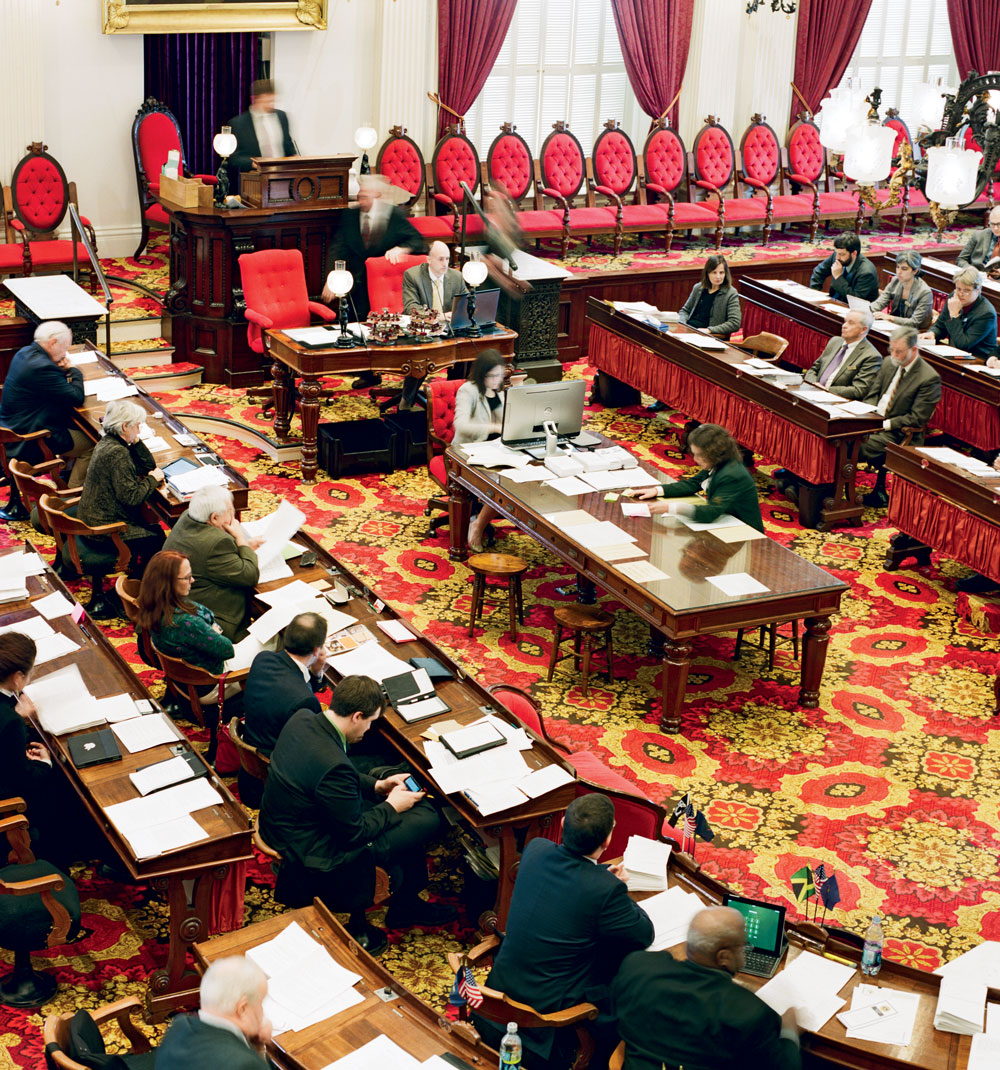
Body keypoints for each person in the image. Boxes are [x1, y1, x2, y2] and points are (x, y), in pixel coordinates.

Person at [259, 674, 453, 955]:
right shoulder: (333, 764)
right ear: (357, 716)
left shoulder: (304, 718)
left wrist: (377, 786)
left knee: (409, 815)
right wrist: (391, 806)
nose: (370, 728)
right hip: (314, 848)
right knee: (427, 818)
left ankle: (406, 897)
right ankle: (405, 902)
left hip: (284, 822)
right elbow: (353, 832)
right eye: (371, 721)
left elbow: (333, 776)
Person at [476, 795, 654, 1067]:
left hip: (498, 990)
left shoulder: (536, 849)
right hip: (543, 1022)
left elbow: (568, 877)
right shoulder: (606, 890)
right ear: (607, 841)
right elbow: (644, 935)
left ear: (561, 825)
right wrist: (618, 889)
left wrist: (603, 876)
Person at [612, 906, 801, 1070]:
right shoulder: (749, 1013)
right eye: (744, 945)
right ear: (724, 957)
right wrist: (789, 1031)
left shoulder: (636, 966)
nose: (746, 948)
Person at [324, 173, 426, 386]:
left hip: (382, 287)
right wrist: (333, 276)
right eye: (360, 196)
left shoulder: (394, 216)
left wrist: (401, 248)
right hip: (355, 282)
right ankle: (365, 372)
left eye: (366, 196)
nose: (361, 201)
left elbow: (417, 240)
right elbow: (338, 248)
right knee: (354, 325)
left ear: (378, 196)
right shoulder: (350, 217)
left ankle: (381, 366)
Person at [0, 321, 93, 519]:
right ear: (53, 343)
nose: (65, 354)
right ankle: (71, 499)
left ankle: (67, 475)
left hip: (14, 428)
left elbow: (49, 383)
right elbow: (76, 396)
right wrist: (73, 371)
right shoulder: (41, 367)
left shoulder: (25, 353)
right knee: (92, 445)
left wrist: (60, 370)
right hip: (30, 438)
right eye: (65, 348)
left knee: (76, 426)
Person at [77, 399, 165, 576]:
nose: (139, 430)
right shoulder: (118, 453)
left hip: (93, 515)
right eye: (137, 426)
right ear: (125, 427)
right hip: (103, 528)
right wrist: (153, 480)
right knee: (156, 538)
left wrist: (136, 440)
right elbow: (131, 497)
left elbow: (148, 465)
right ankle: (139, 581)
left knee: (151, 525)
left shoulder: (110, 441)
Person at [163, 486, 262, 641]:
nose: (234, 518)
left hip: (179, 607)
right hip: (213, 623)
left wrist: (245, 547)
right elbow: (250, 575)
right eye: (230, 511)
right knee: (276, 639)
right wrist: (240, 539)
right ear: (214, 518)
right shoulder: (217, 542)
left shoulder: (187, 517)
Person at [860, 325, 942, 507]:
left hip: (896, 432)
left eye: (899, 352)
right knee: (834, 432)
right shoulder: (889, 362)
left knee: (851, 445)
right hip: (872, 421)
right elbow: (874, 393)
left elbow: (917, 418)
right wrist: (864, 415)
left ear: (914, 349)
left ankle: (835, 494)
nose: (894, 355)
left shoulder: (928, 378)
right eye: (892, 350)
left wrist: (885, 424)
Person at [630, 423, 764, 533]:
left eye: (699, 455)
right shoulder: (718, 462)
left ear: (713, 453)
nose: (695, 459)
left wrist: (669, 507)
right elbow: (693, 484)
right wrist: (656, 490)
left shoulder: (732, 475)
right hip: (724, 522)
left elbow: (711, 513)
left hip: (744, 533)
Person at [0, 633, 60, 858]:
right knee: (60, 786)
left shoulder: (10, 715)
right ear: (17, 678)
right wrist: (45, 763)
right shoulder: (11, 721)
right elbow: (21, 778)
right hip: (5, 796)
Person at [155, 955, 271, 1069]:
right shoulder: (245, 1063)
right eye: (260, 1003)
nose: (261, 1010)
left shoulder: (179, 1025)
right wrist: (259, 1050)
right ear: (242, 1008)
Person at [243, 611, 328, 756]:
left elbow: (296, 688)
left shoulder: (263, 658)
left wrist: (315, 673)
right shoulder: (305, 700)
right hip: (276, 761)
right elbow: (313, 744)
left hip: (252, 743)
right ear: (315, 650)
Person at [136, 551, 235, 676]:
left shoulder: (155, 606)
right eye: (187, 577)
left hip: (186, 677)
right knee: (265, 648)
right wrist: (212, 629)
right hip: (211, 680)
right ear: (168, 583)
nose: (192, 580)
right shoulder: (186, 622)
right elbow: (228, 651)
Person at [398, 240, 466, 408]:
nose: (445, 264)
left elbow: (466, 303)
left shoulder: (456, 277)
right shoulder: (412, 275)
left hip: (449, 330)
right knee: (421, 356)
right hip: (422, 330)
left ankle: (455, 397)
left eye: (447, 259)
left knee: (466, 349)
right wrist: (440, 316)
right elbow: (411, 309)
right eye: (440, 259)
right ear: (429, 259)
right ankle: (406, 401)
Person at [454, 351, 507, 552]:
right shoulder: (468, 391)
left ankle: (480, 518)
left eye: (499, 376)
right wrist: (492, 429)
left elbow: (504, 421)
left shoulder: (497, 392)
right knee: (501, 482)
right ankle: (477, 525)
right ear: (481, 374)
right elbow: (461, 425)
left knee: (514, 478)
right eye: (492, 376)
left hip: (493, 449)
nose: (496, 381)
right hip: (466, 452)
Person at [226, 78, 296, 195]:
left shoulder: (281, 116)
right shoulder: (238, 123)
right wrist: (253, 163)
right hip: (255, 183)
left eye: (272, 101)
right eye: (266, 101)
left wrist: (295, 157)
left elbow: (288, 145)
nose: (270, 105)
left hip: (283, 180)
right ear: (254, 99)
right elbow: (234, 158)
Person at [919, 266, 998, 358]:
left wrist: (954, 315)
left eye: (967, 290)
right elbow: (940, 325)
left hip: (977, 359)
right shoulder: (954, 297)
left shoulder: (986, 313)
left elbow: (963, 345)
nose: (961, 294)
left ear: (978, 291)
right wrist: (932, 333)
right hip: (954, 354)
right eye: (959, 289)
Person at [803, 308, 882, 398]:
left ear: (863, 330)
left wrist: (825, 389)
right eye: (845, 321)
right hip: (811, 391)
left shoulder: (871, 356)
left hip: (834, 398)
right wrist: (813, 384)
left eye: (851, 323)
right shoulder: (835, 341)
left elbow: (859, 389)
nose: (844, 326)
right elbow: (814, 369)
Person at [679, 255, 742, 339]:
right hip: (689, 330)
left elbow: (734, 323)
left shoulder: (731, 293)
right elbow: (685, 311)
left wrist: (709, 330)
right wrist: (682, 325)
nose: (718, 277)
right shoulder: (698, 287)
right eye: (714, 272)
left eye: (721, 272)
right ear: (707, 273)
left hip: (708, 336)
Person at [870, 250, 934, 329]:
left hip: (916, 331)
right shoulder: (895, 281)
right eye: (897, 267)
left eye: (904, 269)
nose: (899, 272)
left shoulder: (924, 292)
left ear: (915, 271)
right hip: (894, 326)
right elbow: (880, 303)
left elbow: (914, 322)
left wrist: (890, 318)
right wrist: (865, 310)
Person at [809, 231, 879, 301]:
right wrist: (814, 294)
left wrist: (838, 277)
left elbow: (855, 299)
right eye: (837, 253)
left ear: (854, 253)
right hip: (835, 303)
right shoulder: (838, 256)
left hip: (857, 309)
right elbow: (819, 271)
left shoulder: (867, 272)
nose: (837, 257)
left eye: (842, 254)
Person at [957, 206, 1000, 271]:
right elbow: (961, 259)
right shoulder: (979, 235)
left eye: (999, 224)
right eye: (992, 224)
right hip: (976, 275)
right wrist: (970, 269)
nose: (995, 228)